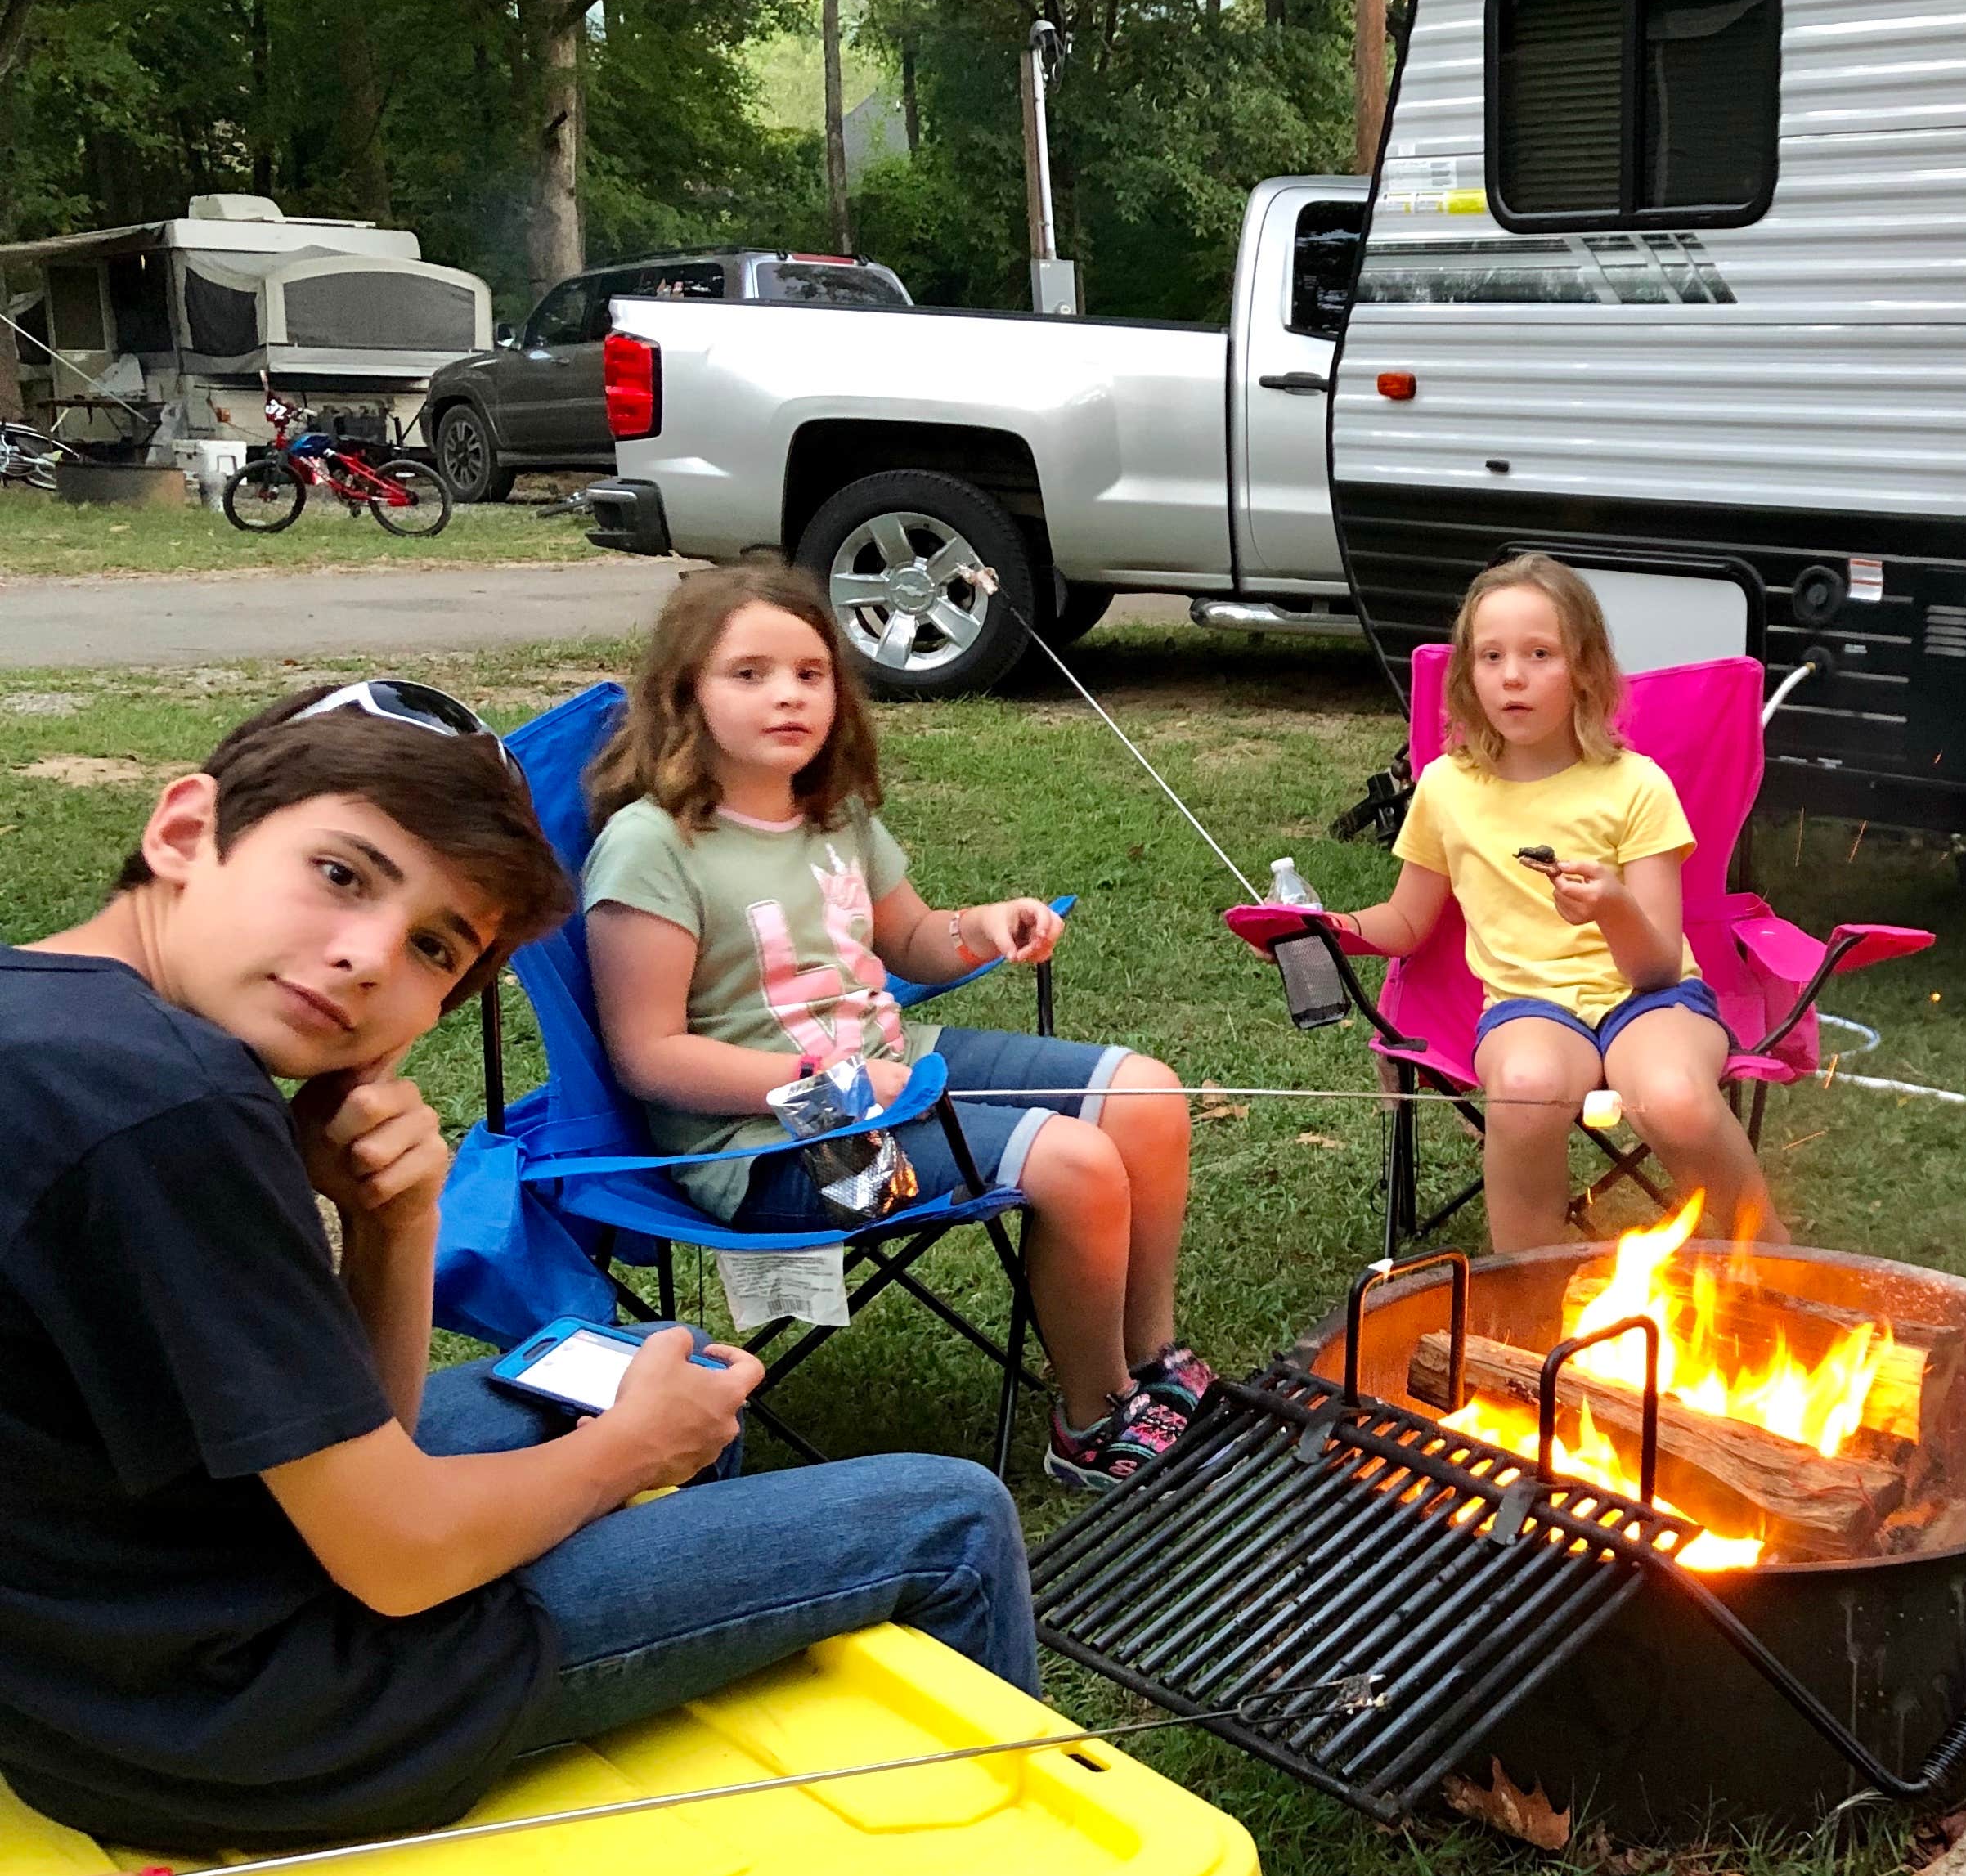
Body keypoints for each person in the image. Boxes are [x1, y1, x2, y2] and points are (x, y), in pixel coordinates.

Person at [1, 678, 1037, 1852]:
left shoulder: (54, 1016)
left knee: (660, 1369)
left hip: (107, 1653)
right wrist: (630, 1452)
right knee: (946, 1520)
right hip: (263, 1717)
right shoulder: (169, 1107)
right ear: (188, 831)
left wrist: (396, 1228)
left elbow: (365, 1444)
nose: (363, 959)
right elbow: (395, 1558)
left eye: (433, 947)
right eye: (342, 874)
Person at [581, 561, 1208, 1488]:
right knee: (1073, 1164)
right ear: (685, 695)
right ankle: (1092, 1420)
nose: (787, 695)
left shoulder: (832, 816)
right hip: (768, 1148)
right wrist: (823, 1085)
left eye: (810, 672)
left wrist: (983, 926)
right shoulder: (652, 846)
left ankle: (1151, 1360)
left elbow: (911, 938)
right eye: (748, 674)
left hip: (891, 1070)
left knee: (1146, 1096)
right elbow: (647, 1057)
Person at [1291, 552, 1780, 1251]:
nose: (1512, 676)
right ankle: (1528, 1292)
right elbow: (1405, 923)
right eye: (1490, 656)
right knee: (1523, 1088)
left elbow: (1658, 968)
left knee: (1671, 1095)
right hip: (1530, 1007)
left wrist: (1612, 907)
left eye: (1539, 654)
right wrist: (1329, 927)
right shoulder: (1447, 788)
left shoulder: (1635, 786)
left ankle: (1771, 1256)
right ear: (1467, 676)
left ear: (1585, 670)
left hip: (1652, 1001)